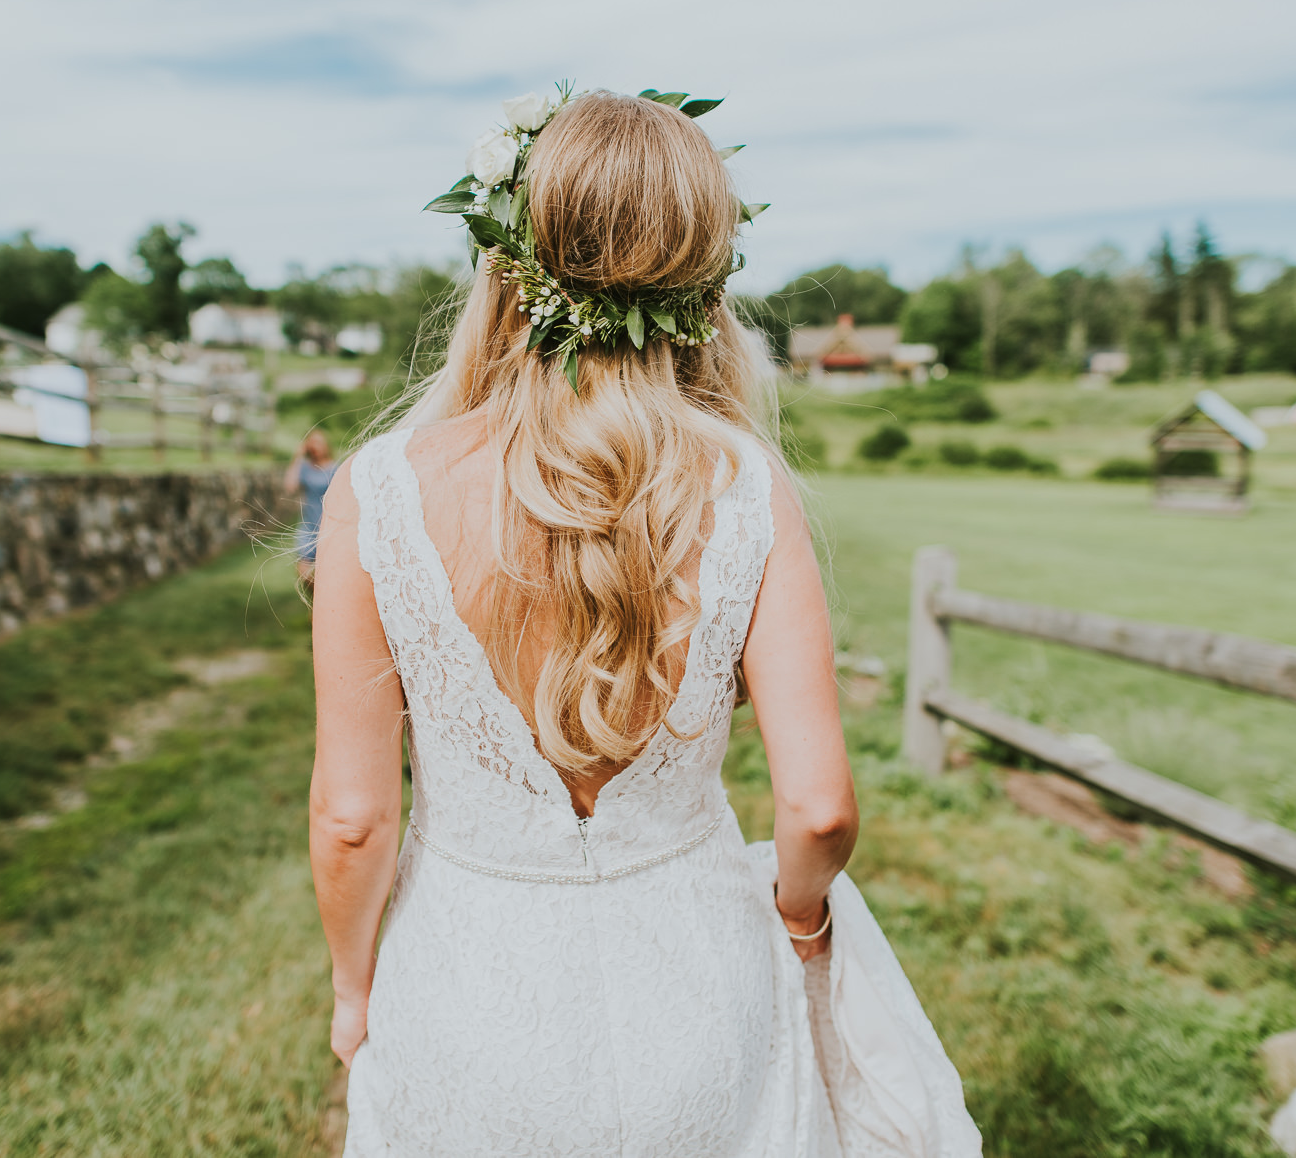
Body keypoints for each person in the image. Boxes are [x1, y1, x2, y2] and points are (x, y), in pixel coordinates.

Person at [307, 90, 979, 1156]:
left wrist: (355, 988)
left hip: (469, 995)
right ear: (702, 284)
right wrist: (802, 919)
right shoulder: (746, 486)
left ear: (506, 264)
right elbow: (816, 807)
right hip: (701, 996)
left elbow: (351, 820)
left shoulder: (381, 489)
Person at [284, 428, 337, 591]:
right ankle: (314, 605)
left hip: (329, 526)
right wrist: (298, 456)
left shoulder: (335, 468)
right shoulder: (305, 468)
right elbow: (290, 487)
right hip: (308, 525)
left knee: (330, 574)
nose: (316, 447)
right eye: (312, 443)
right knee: (304, 573)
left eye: (319, 442)